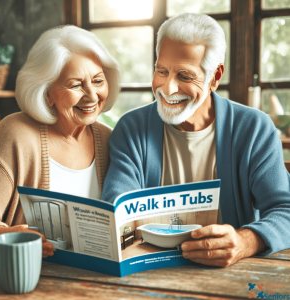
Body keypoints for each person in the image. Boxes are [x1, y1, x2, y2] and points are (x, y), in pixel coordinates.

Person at [102, 13, 290, 267]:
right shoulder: (131, 128)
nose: (168, 88)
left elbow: (285, 210)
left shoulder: (254, 128)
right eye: (162, 71)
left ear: (214, 77)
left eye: (185, 76)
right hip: (148, 272)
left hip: (231, 275)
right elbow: (116, 210)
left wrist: (246, 241)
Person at [0, 25, 120, 257]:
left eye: (98, 81)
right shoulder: (16, 133)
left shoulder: (111, 139)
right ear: (47, 92)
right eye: (76, 84)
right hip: (33, 277)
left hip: (96, 277)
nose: (91, 95)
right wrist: (3, 234)